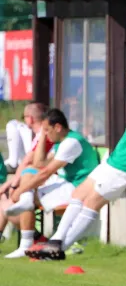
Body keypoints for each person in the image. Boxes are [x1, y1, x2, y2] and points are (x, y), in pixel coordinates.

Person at [26, 61, 126, 260]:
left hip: (123, 167)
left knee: (91, 203)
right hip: (114, 161)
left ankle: (59, 248)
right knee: (79, 194)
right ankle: (56, 240)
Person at [3, 109, 99, 258]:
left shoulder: (71, 143)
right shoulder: (61, 142)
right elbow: (39, 164)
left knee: (26, 193)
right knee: (28, 171)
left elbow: (45, 172)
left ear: (58, 127)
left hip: (79, 187)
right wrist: (42, 136)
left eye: (47, 130)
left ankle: (27, 244)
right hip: (67, 182)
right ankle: (27, 239)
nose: (46, 134)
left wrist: (20, 190)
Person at [0, 102, 53, 244]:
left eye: (24, 117)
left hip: (45, 183)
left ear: (29, 119)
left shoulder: (44, 135)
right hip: (37, 180)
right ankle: (34, 238)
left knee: (7, 204)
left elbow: (30, 163)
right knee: (6, 200)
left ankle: (35, 238)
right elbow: (28, 162)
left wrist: (12, 184)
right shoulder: (40, 135)